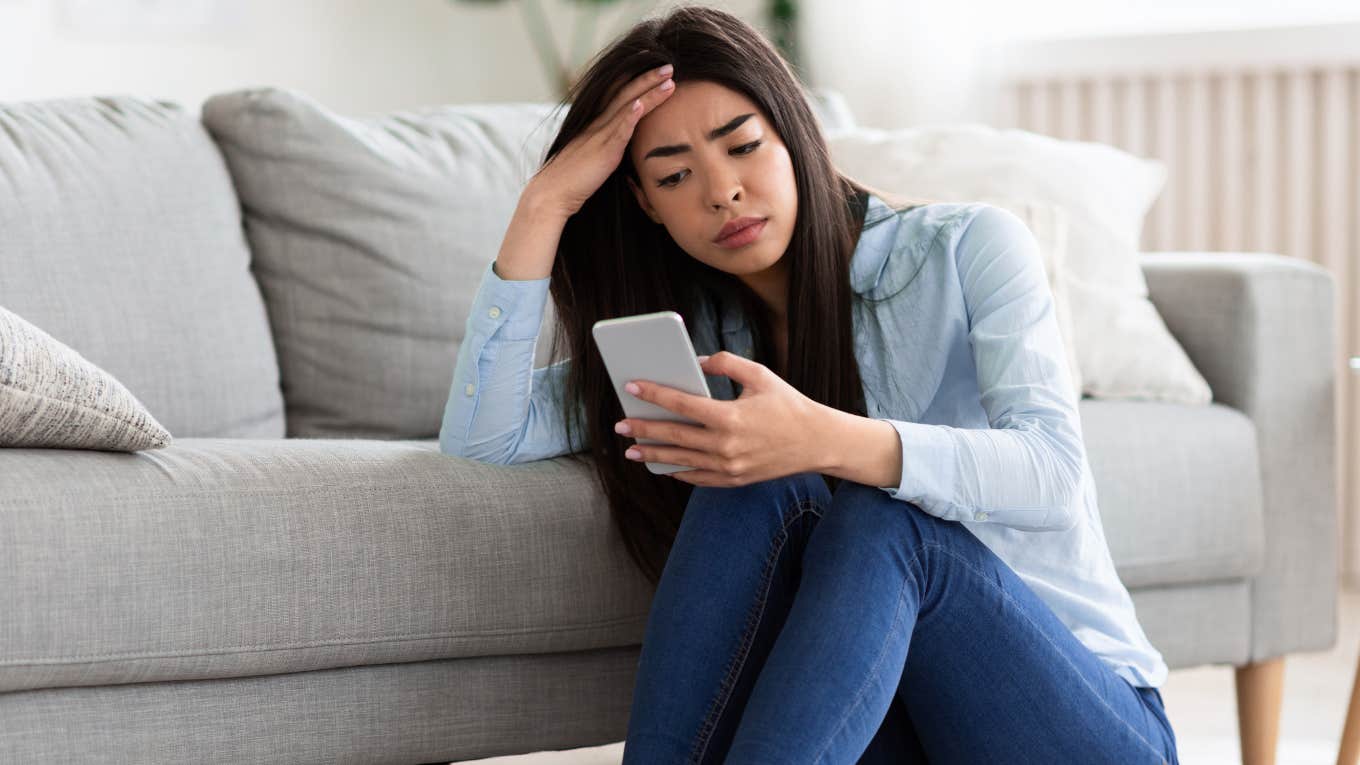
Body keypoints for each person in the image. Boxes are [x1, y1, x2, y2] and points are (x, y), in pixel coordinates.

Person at [439, 4, 1180, 763]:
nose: (721, 191)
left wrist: (820, 437)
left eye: (744, 147)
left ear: (792, 134)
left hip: (1084, 726)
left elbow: (1052, 472)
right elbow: (485, 437)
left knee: (887, 523)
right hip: (892, 733)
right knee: (746, 475)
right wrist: (545, 205)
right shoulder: (697, 346)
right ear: (647, 205)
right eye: (674, 175)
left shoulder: (969, 248)